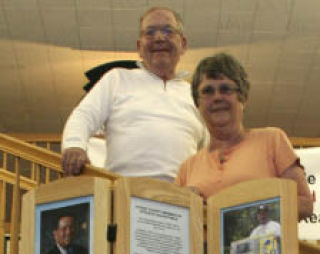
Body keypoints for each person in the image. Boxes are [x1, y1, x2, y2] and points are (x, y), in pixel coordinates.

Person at [61, 7, 207, 180]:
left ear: (183, 44)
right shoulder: (117, 79)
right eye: (150, 32)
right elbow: (84, 115)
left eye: (168, 31)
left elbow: (211, 150)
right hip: (124, 193)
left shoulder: (198, 95)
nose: (159, 38)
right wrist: (74, 145)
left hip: (181, 198)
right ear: (139, 46)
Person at [176, 53, 313, 219]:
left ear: (243, 97)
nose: (217, 97)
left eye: (225, 89)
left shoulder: (272, 140)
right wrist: (185, 204)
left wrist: (246, 212)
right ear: (198, 103)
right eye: (208, 91)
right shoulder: (187, 168)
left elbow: (305, 204)